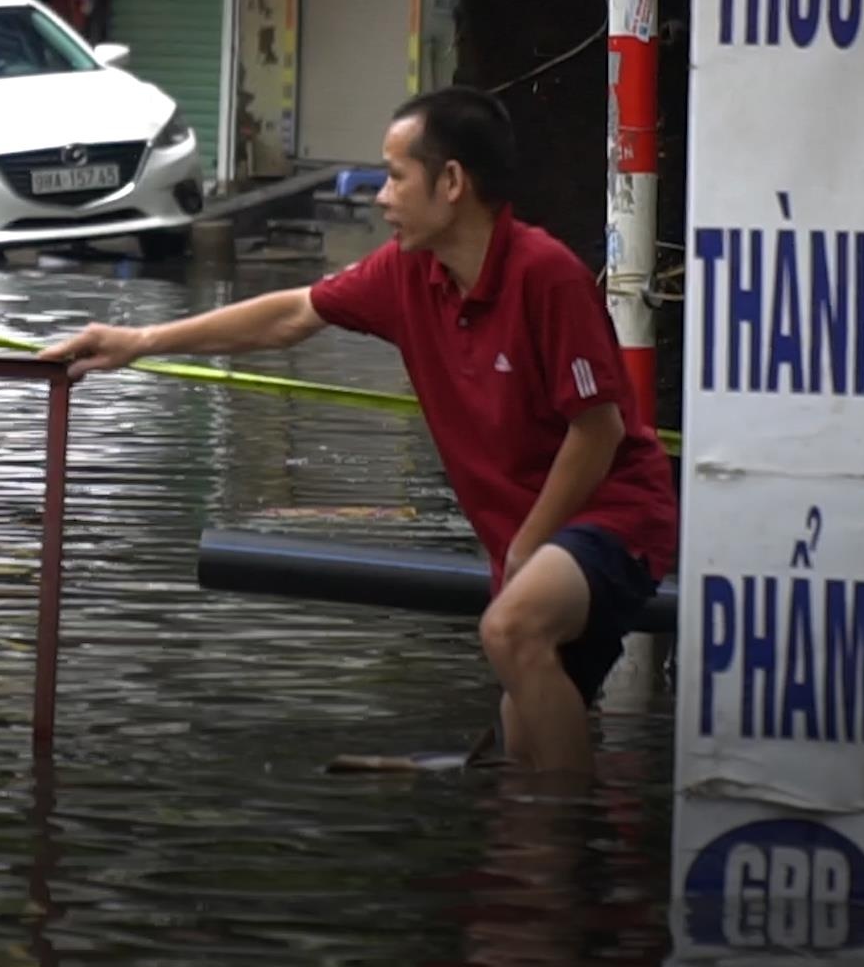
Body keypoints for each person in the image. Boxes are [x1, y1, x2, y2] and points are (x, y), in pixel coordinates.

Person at [38, 85, 679, 775]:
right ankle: (565, 869)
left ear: (453, 182)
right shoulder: (406, 276)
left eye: (396, 175)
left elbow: (599, 430)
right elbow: (290, 315)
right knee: (522, 755)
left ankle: (571, 846)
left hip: (614, 519)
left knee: (509, 629)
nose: (379, 196)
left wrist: (524, 548)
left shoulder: (545, 274)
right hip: (532, 549)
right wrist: (139, 340)